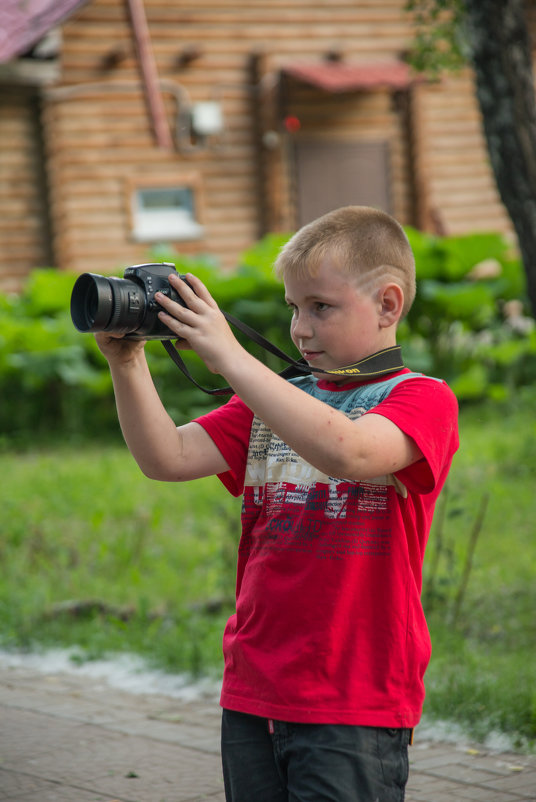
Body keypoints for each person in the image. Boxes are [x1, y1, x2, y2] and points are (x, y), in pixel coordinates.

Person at [95, 206, 459, 802]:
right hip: (255, 685)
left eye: (321, 306)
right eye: (293, 308)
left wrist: (231, 357)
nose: (300, 329)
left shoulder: (421, 399)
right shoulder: (279, 397)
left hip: (353, 694)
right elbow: (167, 457)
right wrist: (127, 363)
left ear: (388, 305)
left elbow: (351, 451)